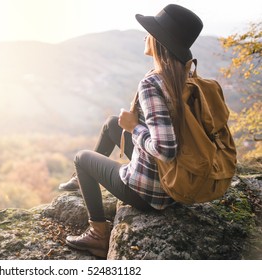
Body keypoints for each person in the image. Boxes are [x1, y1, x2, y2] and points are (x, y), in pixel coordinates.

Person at [59, 4, 203, 258]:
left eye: (149, 32)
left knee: (82, 158)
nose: (145, 36)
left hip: (151, 193)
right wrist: (128, 125)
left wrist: (134, 127)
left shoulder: (153, 83)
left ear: (159, 41)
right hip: (177, 179)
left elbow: (165, 149)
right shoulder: (187, 75)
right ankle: (79, 180)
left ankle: (97, 234)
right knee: (112, 123)